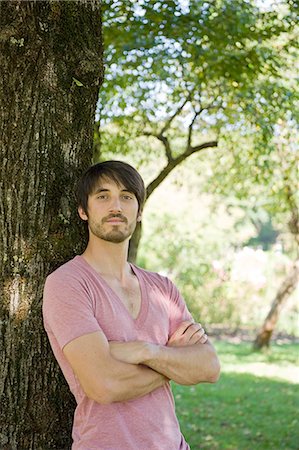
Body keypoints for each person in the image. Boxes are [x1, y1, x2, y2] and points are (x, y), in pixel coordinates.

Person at [43, 160, 220, 450]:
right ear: (83, 211)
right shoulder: (68, 284)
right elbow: (105, 385)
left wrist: (144, 351)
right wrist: (173, 361)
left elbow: (209, 366)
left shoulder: (163, 288)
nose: (116, 206)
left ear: (139, 212)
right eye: (103, 196)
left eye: (127, 197)